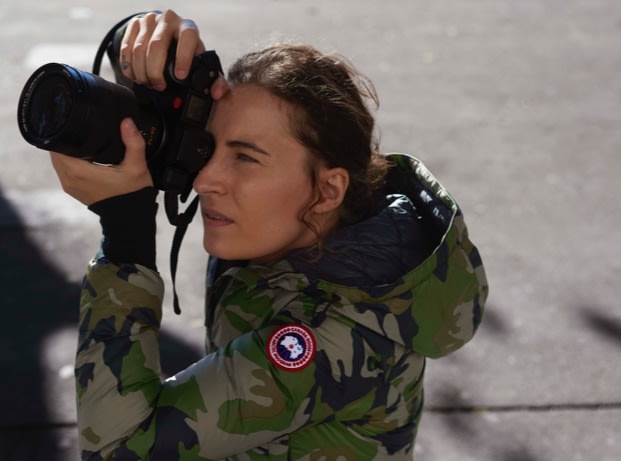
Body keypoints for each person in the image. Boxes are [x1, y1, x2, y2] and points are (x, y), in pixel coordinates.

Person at [49, 9, 488, 461]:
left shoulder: (328, 338)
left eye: (245, 158)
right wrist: (143, 47)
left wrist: (127, 237)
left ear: (328, 190)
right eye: (208, 147)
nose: (205, 180)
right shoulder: (300, 234)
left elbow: (120, 451)